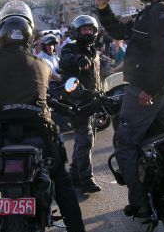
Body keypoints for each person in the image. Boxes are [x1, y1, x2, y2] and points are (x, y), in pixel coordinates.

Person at [0, 0, 85, 232]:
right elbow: (50, 90)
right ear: (30, 37)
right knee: (62, 182)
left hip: (1, 138)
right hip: (39, 136)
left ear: (1, 34)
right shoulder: (41, 65)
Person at [95, 0, 164, 218]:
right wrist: (103, 8)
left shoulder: (160, 14)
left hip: (147, 92)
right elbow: (120, 30)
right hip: (158, 89)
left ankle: (140, 201)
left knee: (124, 144)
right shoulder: (150, 13)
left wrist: (150, 90)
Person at [59, 15, 103, 194]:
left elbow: (96, 77)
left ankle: (74, 175)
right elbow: (65, 61)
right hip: (77, 103)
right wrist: (78, 60)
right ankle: (86, 178)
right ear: (77, 32)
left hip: (92, 101)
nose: (87, 32)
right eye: (84, 30)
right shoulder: (70, 48)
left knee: (84, 140)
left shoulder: (94, 51)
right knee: (85, 140)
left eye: (90, 29)